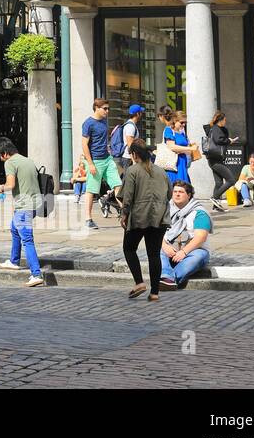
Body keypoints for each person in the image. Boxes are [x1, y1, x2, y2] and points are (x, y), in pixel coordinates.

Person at [117, 140, 171, 301]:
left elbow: (127, 197)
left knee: (129, 248)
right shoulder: (161, 171)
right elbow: (169, 194)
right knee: (154, 254)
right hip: (159, 216)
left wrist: (124, 214)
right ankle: (154, 293)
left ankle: (139, 282)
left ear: (134, 154)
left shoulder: (132, 171)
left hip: (139, 216)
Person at [0, 137, 45, 287]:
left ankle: (36, 274)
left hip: (24, 206)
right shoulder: (27, 160)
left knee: (27, 239)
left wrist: (2, 187)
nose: (0, 159)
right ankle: (14, 260)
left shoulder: (10, 163)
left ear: (4, 153)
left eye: (0, 155)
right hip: (36, 204)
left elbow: (11, 184)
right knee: (14, 228)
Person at [160, 180, 212, 290]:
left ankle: (169, 279)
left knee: (197, 257)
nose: (177, 194)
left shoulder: (199, 213)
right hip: (169, 248)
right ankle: (166, 276)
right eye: (175, 192)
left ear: (189, 195)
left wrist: (184, 252)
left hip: (193, 251)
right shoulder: (164, 210)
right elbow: (155, 232)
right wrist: (164, 246)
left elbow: (200, 237)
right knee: (156, 249)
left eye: (181, 192)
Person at [80, 98, 119, 230]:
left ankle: (126, 213)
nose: (107, 111)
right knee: (91, 189)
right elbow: (84, 145)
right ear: (96, 108)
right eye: (105, 109)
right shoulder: (88, 123)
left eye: (108, 109)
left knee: (118, 184)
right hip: (95, 160)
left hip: (107, 159)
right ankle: (88, 219)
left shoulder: (104, 121)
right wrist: (90, 164)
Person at [203, 111, 238, 211]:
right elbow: (219, 140)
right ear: (221, 120)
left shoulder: (214, 128)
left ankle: (216, 206)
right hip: (216, 160)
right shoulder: (216, 129)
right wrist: (229, 141)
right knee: (231, 180)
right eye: (225, 120)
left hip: (213, 159)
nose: (225, 122)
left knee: (218, 183)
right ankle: (215, 197)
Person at [161, 110, 199, 186]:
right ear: (175, 121)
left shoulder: (181, 132)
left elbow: (183, 146)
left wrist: (191, 147)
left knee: (184, 188)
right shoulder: (169, 130)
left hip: (182, 163)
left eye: (185, 122)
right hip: (174, 164)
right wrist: (190, 149)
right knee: (176, 187)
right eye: (182, 122)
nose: (184, 124)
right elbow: (172, 147)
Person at [118, 104, 143, 171]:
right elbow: (130, 144)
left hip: (130, 157)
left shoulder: (131, 125)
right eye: (141, 112)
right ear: (138, 114)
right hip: (128, 158)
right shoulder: (130, 127)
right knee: (129, 179)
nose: (142, 114)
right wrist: (134, 160)